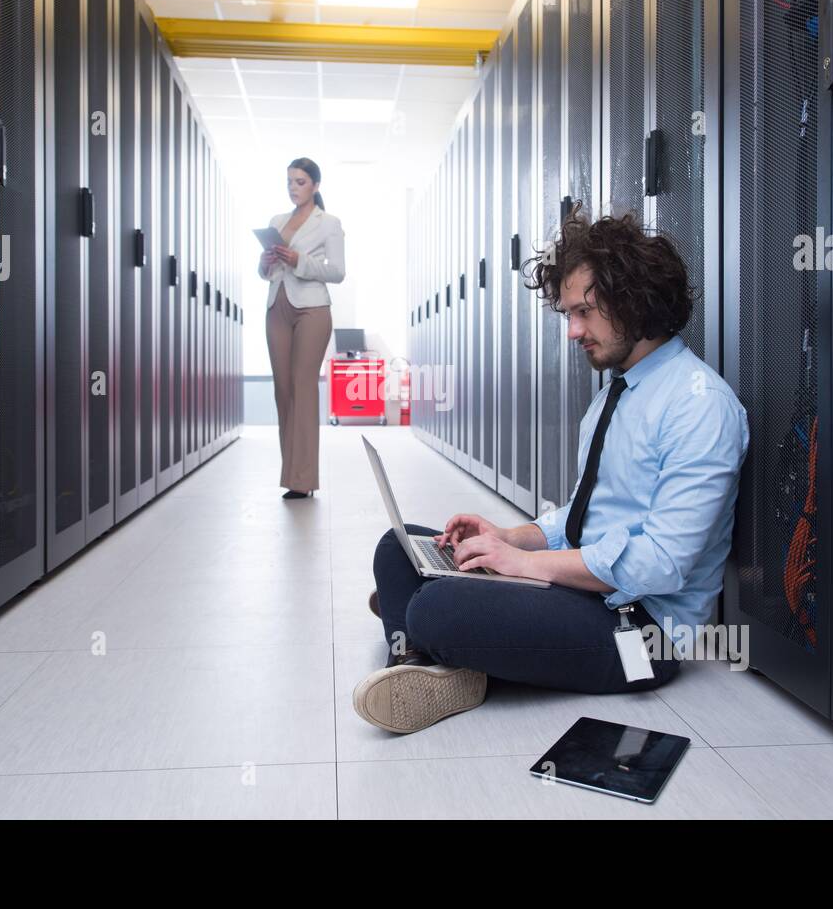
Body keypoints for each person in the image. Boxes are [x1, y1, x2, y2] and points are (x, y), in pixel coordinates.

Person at [352, 211, 749, 734]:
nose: (573, 332)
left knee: (434, 605)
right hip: (582, 590)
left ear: (635, 299)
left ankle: (425, 638)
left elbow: (663, 564)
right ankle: (428, 661)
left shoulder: (701, 406)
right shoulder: (616, 394)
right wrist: (506, 536)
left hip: (638, 630)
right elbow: (584, 514)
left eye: (584, 311)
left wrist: (522, 565)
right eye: (568, 314)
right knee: (397, 547)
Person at [258, 157, 346, 499]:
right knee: (283, 391)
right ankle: (291, 472)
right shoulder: (277, 221)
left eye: (300, 182)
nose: (294, 188)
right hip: (277, 305)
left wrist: (300, 261)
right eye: (290, 182)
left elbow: (337, 271)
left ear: (316, 186)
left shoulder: (329, 223)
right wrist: (265, 263)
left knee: (303, 389)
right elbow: (266, 272)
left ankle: (302, 480)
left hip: (312, 309)